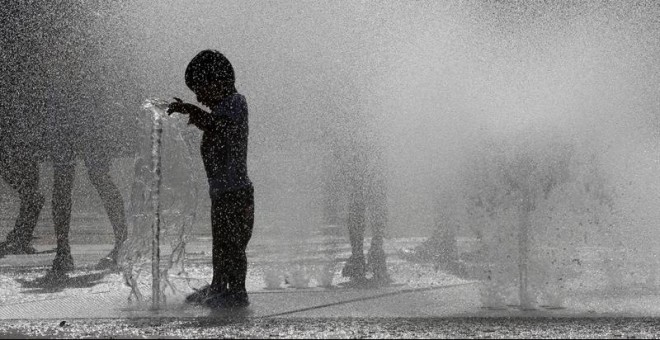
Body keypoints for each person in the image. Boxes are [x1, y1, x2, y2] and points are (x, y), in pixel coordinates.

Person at [167, 50, 254, 308]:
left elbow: (219, 126)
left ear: (218, 82)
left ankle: (237, 290)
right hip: (222, 193)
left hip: (237, 193)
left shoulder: (236, 103)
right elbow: (213, 124)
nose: (198, 97)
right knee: (221, 245)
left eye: (200, 89)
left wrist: (192, 110)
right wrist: (195, 113)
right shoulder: (222, 108)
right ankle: (218, 286)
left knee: (234, 246)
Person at [0, 152, 45, 257]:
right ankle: (21, 237)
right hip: (13, 156)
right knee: (34, 198)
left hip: (24, 156)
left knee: (31, 197)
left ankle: (20, 236)